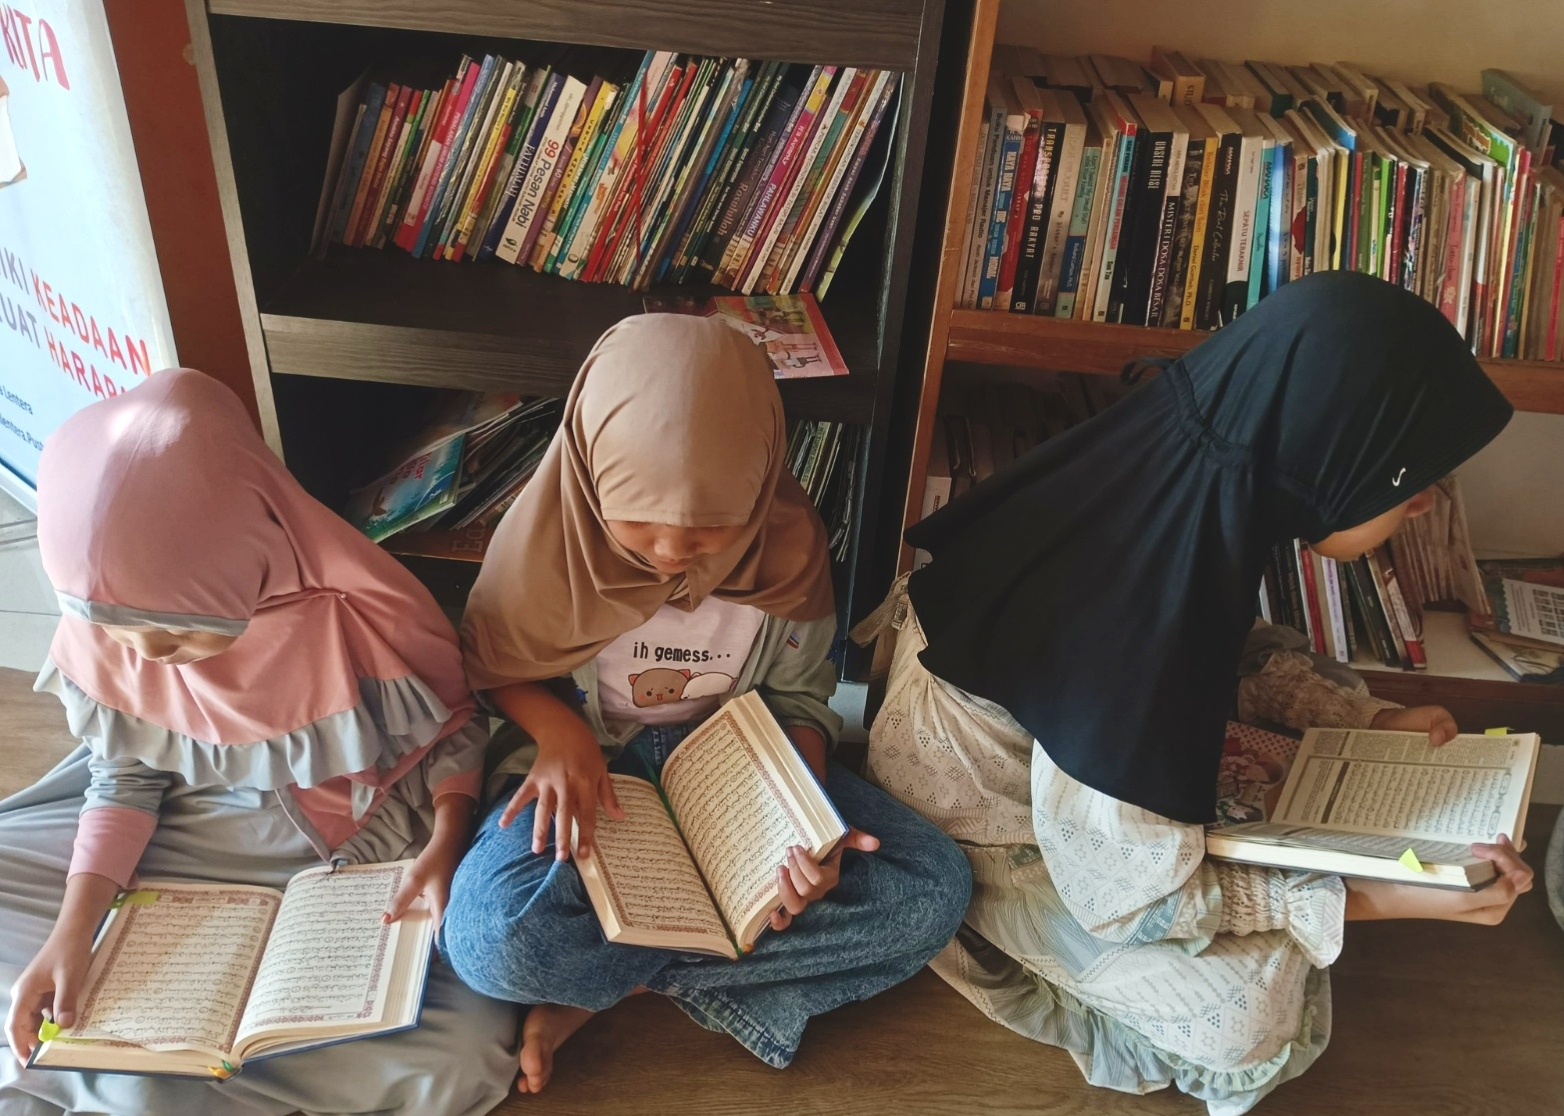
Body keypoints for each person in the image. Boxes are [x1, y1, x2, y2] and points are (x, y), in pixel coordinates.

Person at [856, 272, 1535, 1115]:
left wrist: (1369, 719)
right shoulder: (1132, 621)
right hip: (997, 828)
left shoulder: (1192, 477)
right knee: (1245, 1012)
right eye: (1410, 475)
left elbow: (1226, 645)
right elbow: (1133, 905)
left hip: (1072, 769)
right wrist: (1371, 900)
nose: (1426, 502)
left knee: (1327, 686)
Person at [440, 314, 971, 1094]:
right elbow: (491, 665)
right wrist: (556, 731)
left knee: (932, 891)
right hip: (595, 772)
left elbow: (800, 701)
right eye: (637, 525)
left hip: (738, 777)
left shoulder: (788, 551)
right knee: (488, 942)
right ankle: (676, 972)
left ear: (757, 489)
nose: (668, 555)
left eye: (709, 533)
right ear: (588, 473)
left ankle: (611, 986)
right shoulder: (546, 543)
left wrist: (803, 818)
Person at [0, 369, 516, 1116]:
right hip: (182, 832)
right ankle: (127, 1069)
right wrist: (71, 935)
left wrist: (447, 835)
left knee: (463, 1049)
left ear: (248, 553)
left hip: (350, 847)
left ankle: (129, 1081)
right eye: (117, 633)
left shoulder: (363, 612)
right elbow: (124, 780)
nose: (149, 657)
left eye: (178, 630)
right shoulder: (109, 611)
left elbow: (452, 727)